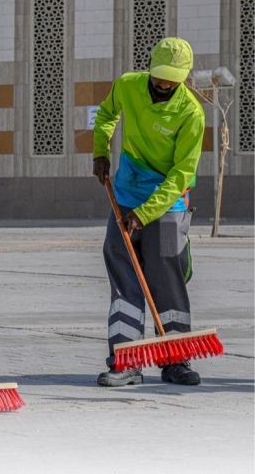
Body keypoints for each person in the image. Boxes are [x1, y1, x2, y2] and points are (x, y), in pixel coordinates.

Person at [92, 37, 205, 388]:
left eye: (172, 78)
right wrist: (101, 151)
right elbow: (107, 113)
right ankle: (126, 361)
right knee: (125, 281)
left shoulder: (191, 113)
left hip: (167, 203)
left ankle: (176, 360)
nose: (164, 83)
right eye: (160, 75)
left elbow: (180, 176)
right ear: (150, 66)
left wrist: (145, 213)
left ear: (185, 77)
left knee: (166, 280)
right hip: (126, 193)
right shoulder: (128, 85)